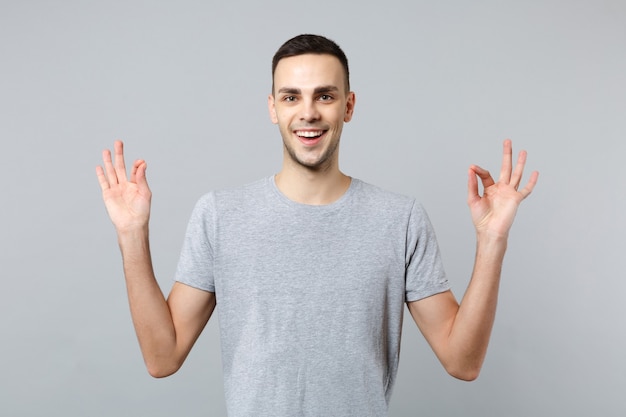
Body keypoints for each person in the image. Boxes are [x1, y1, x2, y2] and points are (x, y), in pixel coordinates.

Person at [96, 34, 538, 416]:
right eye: (291, 96)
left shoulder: (399, 220)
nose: (308, 112)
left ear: (348, 106)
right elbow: (162, 356)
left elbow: (463, 362)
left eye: (324, 96)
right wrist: (131, 235)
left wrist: (492, 240)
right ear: (273, 108)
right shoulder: (220, 214)